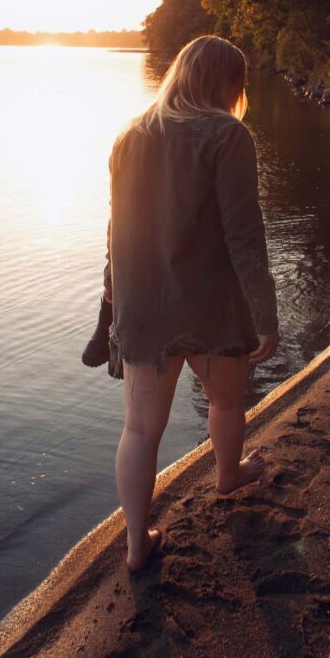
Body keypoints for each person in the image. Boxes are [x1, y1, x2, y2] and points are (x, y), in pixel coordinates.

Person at [100, 35, 279, 571]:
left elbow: (116, 229)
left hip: (144, 307)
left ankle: (136, 542)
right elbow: (244, 234)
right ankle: (227, 476)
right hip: (212, 306)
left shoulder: (130, 135)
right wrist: (265, 314)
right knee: (225, 401)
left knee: (138, 428)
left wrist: (113, 289)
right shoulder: (228, 134)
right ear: (228, 83)